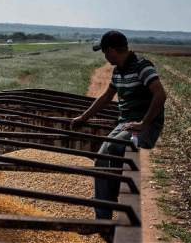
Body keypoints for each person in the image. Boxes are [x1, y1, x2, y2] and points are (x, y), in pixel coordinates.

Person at [70, 30, 167, 219]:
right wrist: (83, 118)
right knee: (101, 157)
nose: (105, 57)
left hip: (146, 125)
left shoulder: (142, 67)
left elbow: (160, 95)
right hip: (126, 123)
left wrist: (143, 123)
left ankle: (111, 197)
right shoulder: (118, 71)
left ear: (113, 50)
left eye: (105, 52)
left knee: (115, 146)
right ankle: (102, 215)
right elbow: (106, 97)